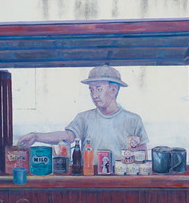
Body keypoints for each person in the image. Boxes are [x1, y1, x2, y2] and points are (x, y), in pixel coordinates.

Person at [18, 65, 149, 156]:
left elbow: (142, 152)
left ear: (113, 89)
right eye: (91, 90)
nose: (94, 95)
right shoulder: (84, 118)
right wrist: (36, 136)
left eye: (99, 89)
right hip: (89, 178)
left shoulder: (133, 120)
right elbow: (67, 136)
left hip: (121, 179)